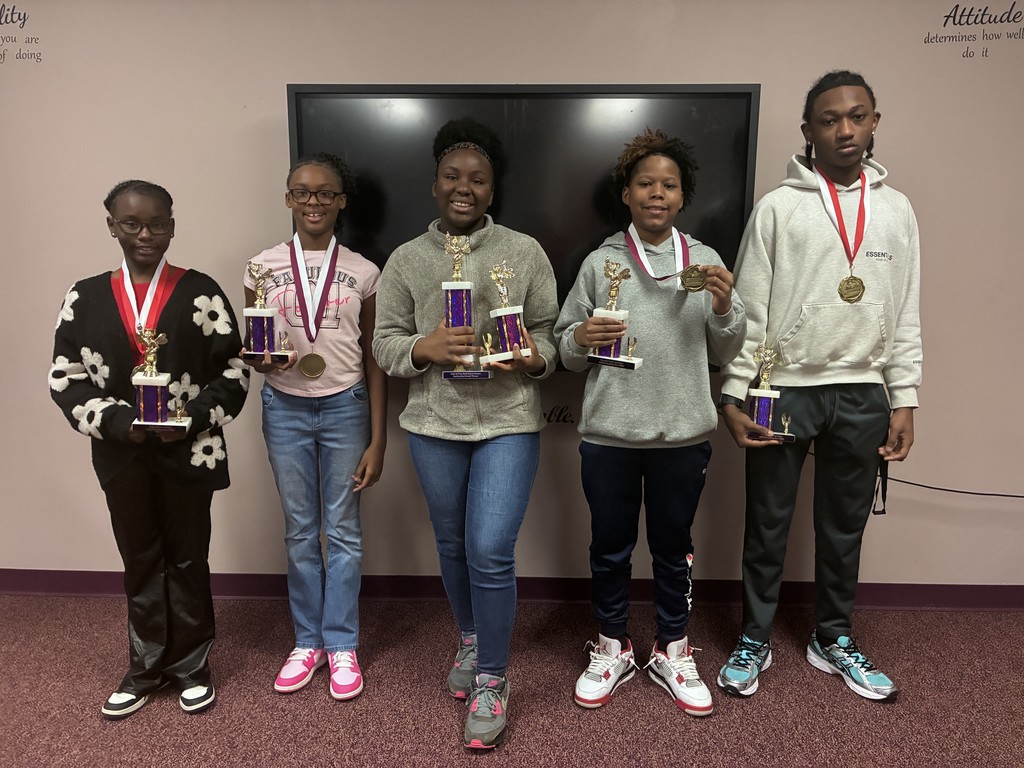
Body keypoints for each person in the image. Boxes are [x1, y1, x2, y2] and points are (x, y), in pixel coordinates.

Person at [716, 70, 921, 702]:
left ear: (875, 122)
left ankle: (833, 637)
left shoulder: (897, 209)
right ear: (808, 131)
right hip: (784, 386)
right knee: (768, 521)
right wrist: (734, 391)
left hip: (863, 390)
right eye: (829, 119)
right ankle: (754, 636)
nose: (845, 129)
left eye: (857, 116)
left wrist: (905, 395)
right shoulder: (779, 207)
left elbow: (906, 307)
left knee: (844, 525)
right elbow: (749, 306)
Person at [372, 117, 558, 749]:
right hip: (433, 423)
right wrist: (422, 348)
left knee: (490, 549)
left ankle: (493, 680)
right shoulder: (406, 259)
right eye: (452, 176)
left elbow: (552, 335)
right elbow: (385, 344)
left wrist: (534, 357)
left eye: (478, 179)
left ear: (492, 189)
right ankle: (473, 638)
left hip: (508, 421)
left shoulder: (525, 252)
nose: (464, 187)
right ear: (434, 185)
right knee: (451, 545)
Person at [554, 128, 745, 716]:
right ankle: (612, 644)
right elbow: (564, 350)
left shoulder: (706, 261)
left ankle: (672, 646)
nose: (657, 193)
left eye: (669, 185)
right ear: (627, 194)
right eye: (645, 183)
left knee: (673, 548)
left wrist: (723, 305)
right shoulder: (600, 262)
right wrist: (581, 337)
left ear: (683, 197)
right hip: (609, 434)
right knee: (609, 547)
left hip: (682, 434)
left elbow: (729, 348)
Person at [49, 180, 249, 719]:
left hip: (190, 451)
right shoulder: (85, 296)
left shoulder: (200, 290)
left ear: (173, 225)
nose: (146, 234)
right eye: (132, 224)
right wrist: (119, 422)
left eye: (158, 223)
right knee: (139, 555)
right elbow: (66, 379)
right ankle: (144, 667)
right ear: (111, 225)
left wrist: (190, 419)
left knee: (187, 555)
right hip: (123, 454)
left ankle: (190, 665)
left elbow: (233, 371)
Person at [243, 153, 387, 701]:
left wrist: (379, 438)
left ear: (341, 201)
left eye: (326, 193)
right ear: (287, 199)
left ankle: (342, 642)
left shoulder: (364, 270)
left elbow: (373, 358)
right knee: (301, 530)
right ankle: (308, 642)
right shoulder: (261, 266)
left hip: (346, 404)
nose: (313, 202)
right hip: (284, 406)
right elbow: (256, 345)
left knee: (343, 529)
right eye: (302, 192)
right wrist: (259, 360)